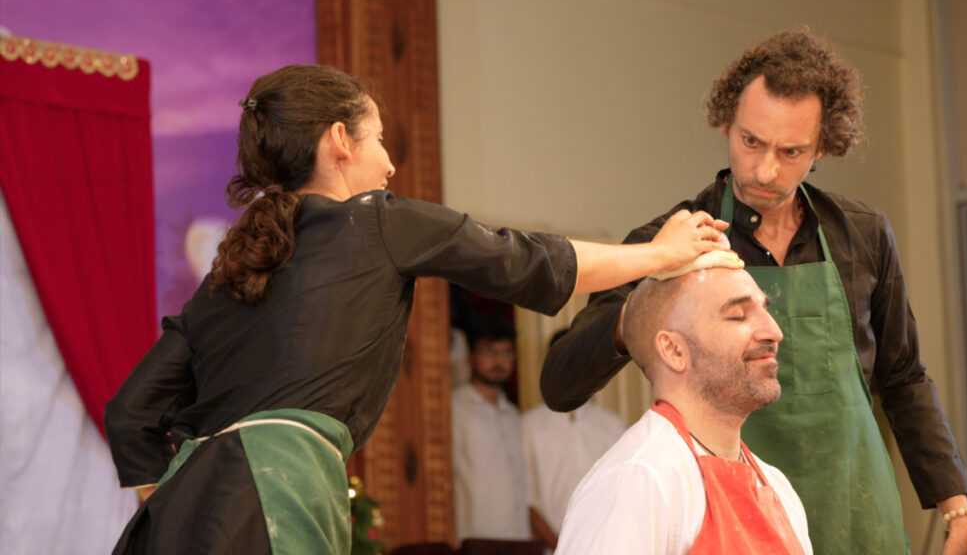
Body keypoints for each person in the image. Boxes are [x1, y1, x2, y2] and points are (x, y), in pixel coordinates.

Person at [103, 64, 730, 554]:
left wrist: (189, 504)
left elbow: (130, 413)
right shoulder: (380, 220)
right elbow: (527, 260)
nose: (390, 162)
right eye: (379, 139)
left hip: (172, 521)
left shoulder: (225, 276)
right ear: (339, 141)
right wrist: (659, 253)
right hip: (277, 501)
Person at [542, 27, 967, 554]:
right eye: (750, 142)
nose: (765, 170)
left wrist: (956, 504)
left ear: (823, 148)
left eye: (791, 151)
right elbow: (559, 384)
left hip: (857, 517)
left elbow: (904, 377)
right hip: (735, 519)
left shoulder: (861, 235)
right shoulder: (669, 246)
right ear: (725, 123)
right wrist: (645, 295)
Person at [556, 251, 812, 554]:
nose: (774, 332)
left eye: (766, 311)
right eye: (738, 315)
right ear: (674, 350)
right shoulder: (638, 479)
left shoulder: (777, 486)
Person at [521, 329, 625, 552]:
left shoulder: (612, 425)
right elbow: (526, 500)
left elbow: (622, 495)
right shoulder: (529, 425)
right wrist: (564, 546)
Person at [451, 321, 529, 542]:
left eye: (506, 352)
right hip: (474, 538)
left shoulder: (513, 415)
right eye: (489, 352)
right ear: (470, 356)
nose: (498, 361)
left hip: (517, 539)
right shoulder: (454, 409)